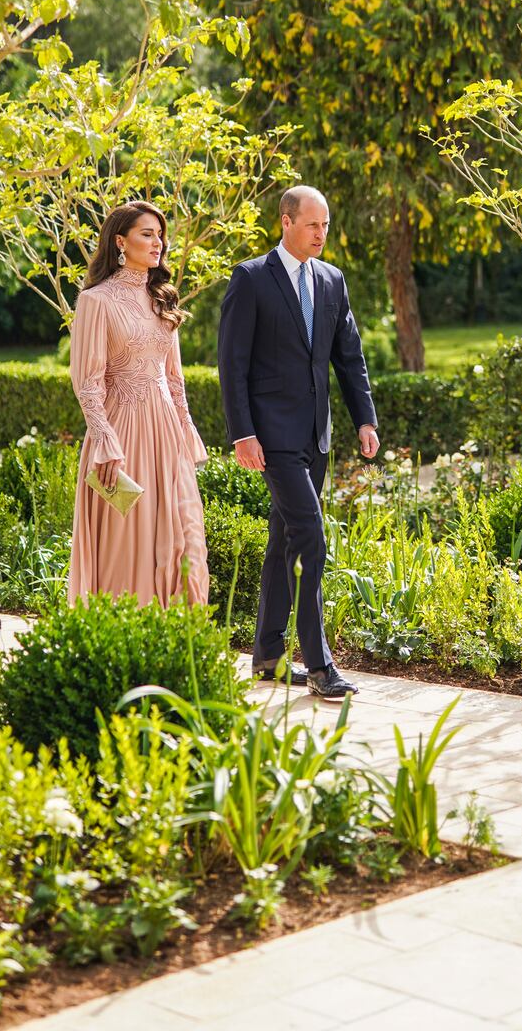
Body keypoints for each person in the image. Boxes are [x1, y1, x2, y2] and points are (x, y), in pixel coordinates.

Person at [218, 185, 379, 698]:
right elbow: (233, 364)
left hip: (317, 434)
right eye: (313, 225)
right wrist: (242, 432)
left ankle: (266, 656)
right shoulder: (251, 278)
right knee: (311, 538)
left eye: (326, 225)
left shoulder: (332, 280)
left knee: (283, 543)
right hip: (271, 436)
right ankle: (319, 665)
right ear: (285, 222)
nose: (322, 234)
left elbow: (348, 357)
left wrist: (365, 420)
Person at [68, 200, 209, 608]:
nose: (158, 243)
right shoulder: (96, 301)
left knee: (186, 538)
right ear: (120, 242)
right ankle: (126, 638)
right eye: (147, 234)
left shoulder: (163, 298)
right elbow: (88, 382)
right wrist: (104, 440)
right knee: (130, 540)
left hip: (167, 435)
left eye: (160, 235)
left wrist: (186, 430)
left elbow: (174, 378)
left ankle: (176, 639)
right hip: (123, 435)